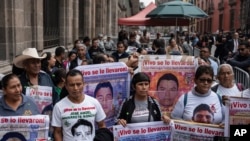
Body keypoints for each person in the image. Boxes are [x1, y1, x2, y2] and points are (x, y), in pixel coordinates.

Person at [51, 69, 106, 141]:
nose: (75, 88)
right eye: (71, 85)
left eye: (78, 84)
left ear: (83, 84)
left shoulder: (94, 102)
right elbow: (57, 132)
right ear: (66, 86)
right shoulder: (58, 107)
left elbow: (102, 125)